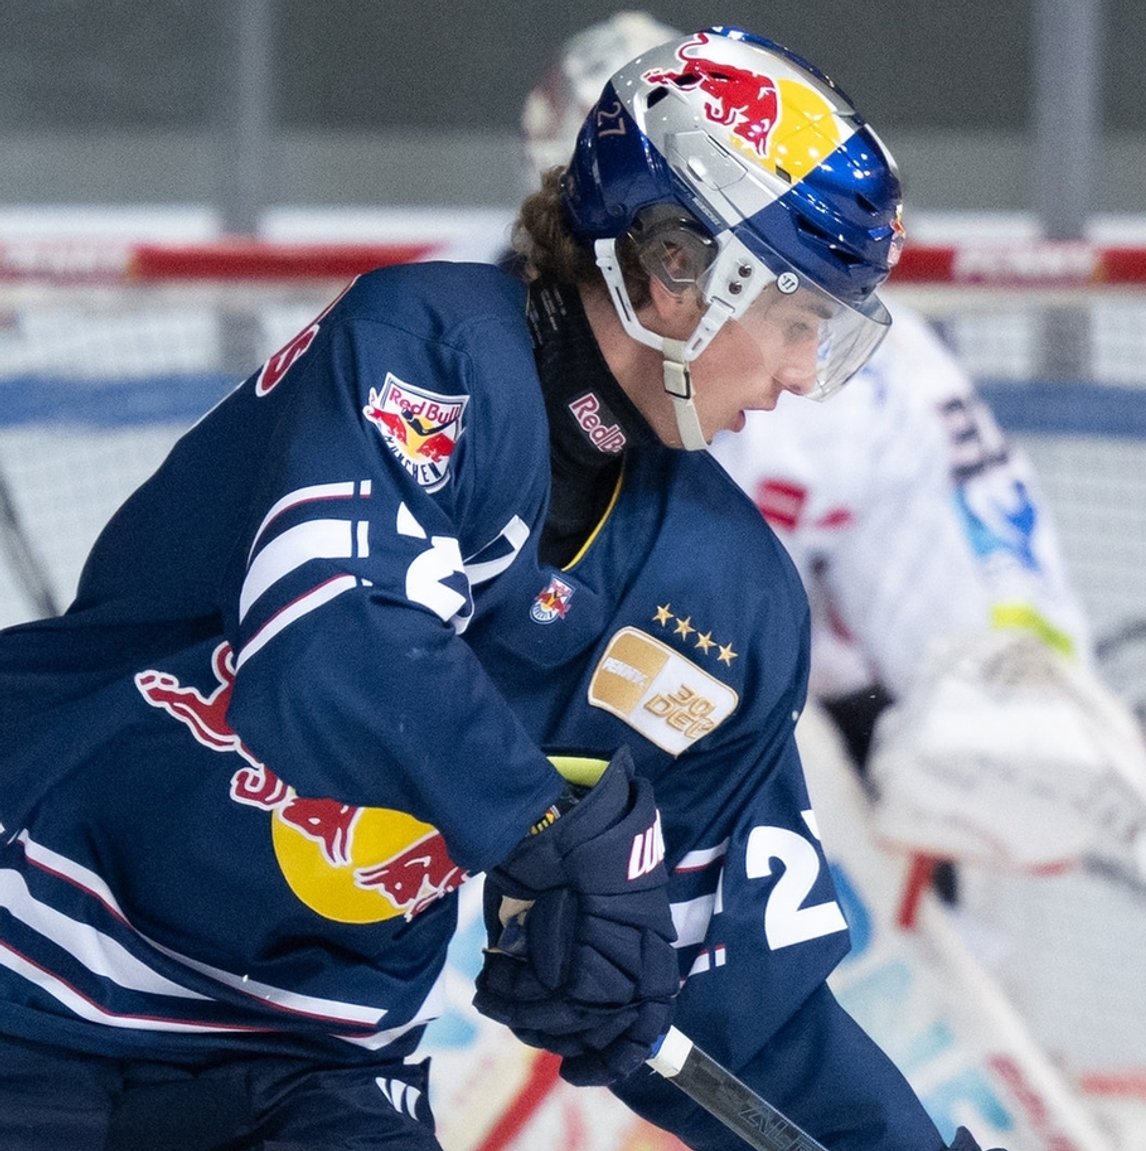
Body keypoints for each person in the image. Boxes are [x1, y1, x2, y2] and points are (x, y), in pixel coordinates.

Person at [0, 26, 993, 1151]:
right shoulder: (422, 346)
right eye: (795, 315)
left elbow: (735, 984)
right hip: (28, 939)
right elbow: (331, 642)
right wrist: (543, 826)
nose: (805, 372)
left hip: (312, 1046)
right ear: (677, 264)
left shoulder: (733, 601)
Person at [521, 11, 1146, 885]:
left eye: (674, 249)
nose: (653, 285)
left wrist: (1008, 691)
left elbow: (970, 574)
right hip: (515, 721)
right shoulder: (454, 332)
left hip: (784, 751)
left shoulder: (871, 381)